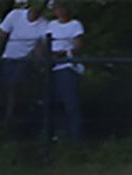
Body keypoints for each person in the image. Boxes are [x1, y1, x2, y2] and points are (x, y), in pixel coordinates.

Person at [0, 0, 49, 126]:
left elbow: (41, 48)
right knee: (0, 85)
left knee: (13, 84)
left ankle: (9, 119)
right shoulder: (15, 15)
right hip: (8, 59)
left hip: (26, 63)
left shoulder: (45, 25)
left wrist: (33, 58)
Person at [46, 0, 84, 141]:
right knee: (52, 102)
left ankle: (75, 137)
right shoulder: (51, 25)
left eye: (62, 7)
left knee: (70, 103)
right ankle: (56, 135)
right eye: (57, 8)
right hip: (50, 66)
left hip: (67, 66)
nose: (59, 10)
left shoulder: (75, 25)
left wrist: (64, 53)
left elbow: (78, 47)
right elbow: (44, 43)